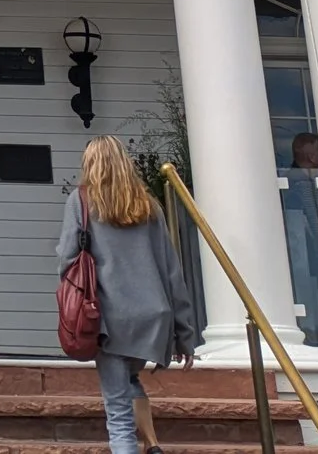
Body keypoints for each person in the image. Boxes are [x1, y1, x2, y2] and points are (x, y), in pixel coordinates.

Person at [56, 136, 196, 454]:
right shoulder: (149, 206)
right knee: (129, 381)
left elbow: (66, 258)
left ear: (90, 164)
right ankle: (153, 445)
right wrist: (184, 334)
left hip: (109, 318)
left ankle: (142, 446)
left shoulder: (81, 201)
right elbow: (172, 271)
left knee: (118, 416)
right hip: (152, 318)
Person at [279, 133, 318, 348]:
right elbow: (315, 222)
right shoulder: (300, 185)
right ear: (311, 156)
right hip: (307, 249)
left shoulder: (305, 181)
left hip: (310, 249)